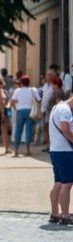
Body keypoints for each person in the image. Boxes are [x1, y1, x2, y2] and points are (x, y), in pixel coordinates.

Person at [48, 93, 73, 225]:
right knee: (67, 184)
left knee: (58, 183)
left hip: (55, 150)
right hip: (65, 151)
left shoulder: (57, 107)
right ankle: (65, 215)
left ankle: (54, 213)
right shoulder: (65, 110)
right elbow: (65, 129)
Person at [10, 76, 39, 157]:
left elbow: (12, 102)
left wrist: (15, 108)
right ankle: (27, 149)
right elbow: (39, 99)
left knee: (18, 130)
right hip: (29, 110)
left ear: (21, 83)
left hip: (20, 111)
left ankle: (16, 150)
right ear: (29, 82)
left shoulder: (17, 91)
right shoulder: (32, 90)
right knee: (29, 130)